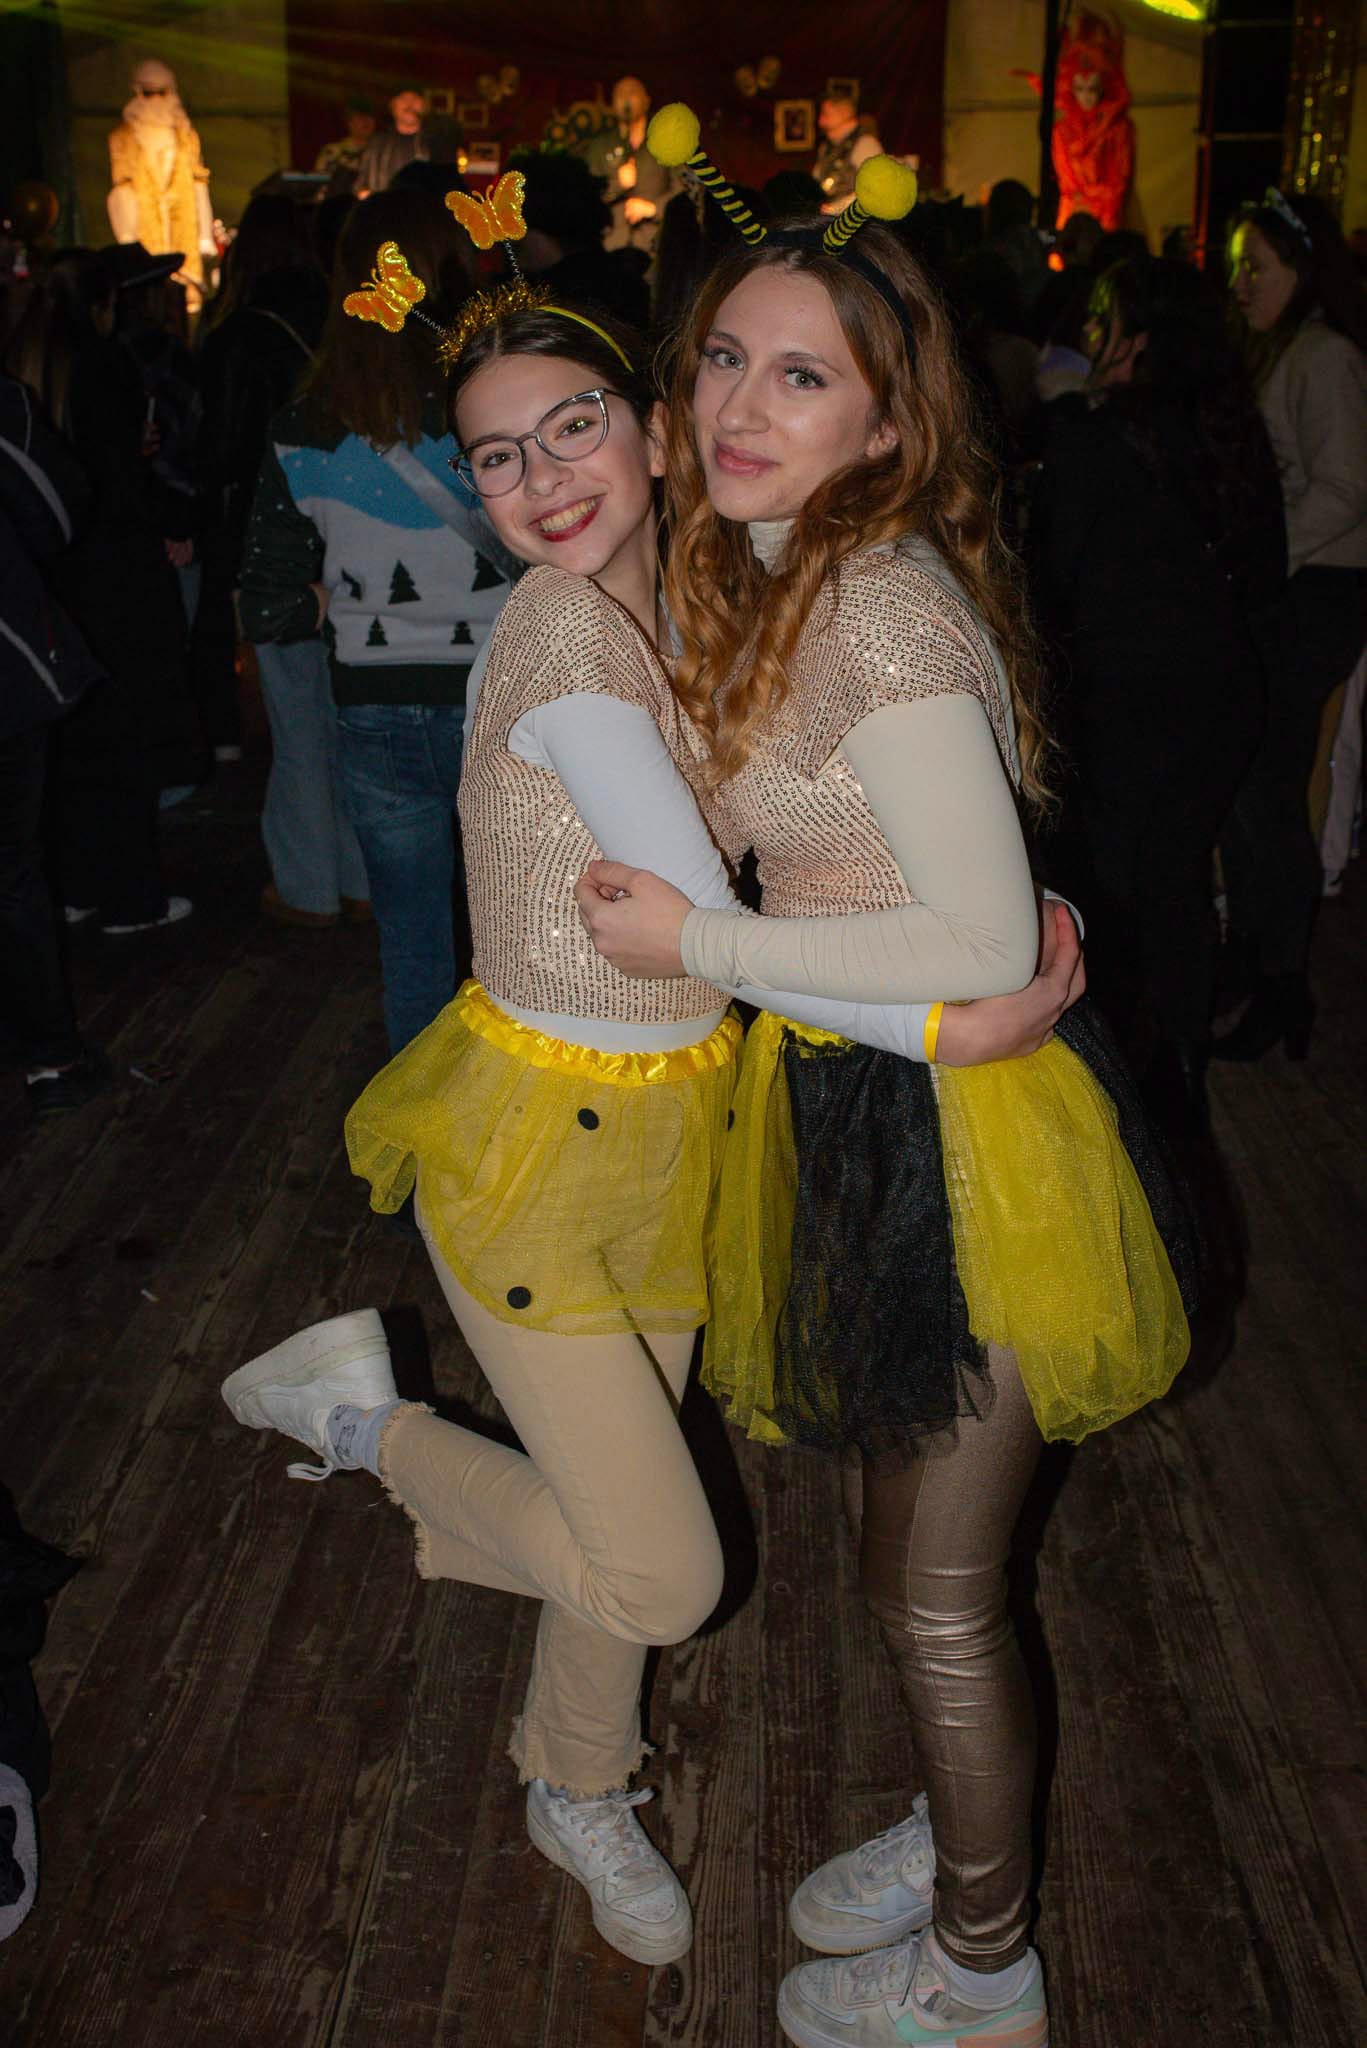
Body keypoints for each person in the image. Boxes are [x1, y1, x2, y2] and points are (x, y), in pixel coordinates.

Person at [221, 255, 1088, 1977]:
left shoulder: (703, 595)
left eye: (572, 426)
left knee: (616, 1497)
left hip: (676, 1125)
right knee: (665, 1569)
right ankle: (358, 1422)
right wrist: (955, 1011)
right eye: (494, 457)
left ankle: (576, 1775)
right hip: (536, 1150)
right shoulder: (561, 633)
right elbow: (708, 925)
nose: (541, 480)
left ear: (647, 427)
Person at [575, 199, 1196, 2047]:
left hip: (973, 1138)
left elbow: (986, 941)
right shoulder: (771, 568)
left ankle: (985, 1967)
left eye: (802, 375)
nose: (742, 404)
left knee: (935, 1595)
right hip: (871, 1093)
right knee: (895, 1552)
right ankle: (958, 1821)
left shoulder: (878, 604)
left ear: (886, 422)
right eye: (723, 359)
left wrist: (702, 944)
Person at [236, 189, 513, 1052]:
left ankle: (421, 1120)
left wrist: (329, 601)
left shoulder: (305, 428)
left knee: (412, 941)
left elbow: (266, 603)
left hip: (374, 710)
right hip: (509, 702)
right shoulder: (496, 409)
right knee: (521, 933)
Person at [1031, 257, 1282, 1124]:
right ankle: (1177, 1067)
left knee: (1112, 884)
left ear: (1135, 340)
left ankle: (1122, 1078)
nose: (1088, 335)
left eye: (1102, 320)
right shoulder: (1228, 431)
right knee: (1175, 878)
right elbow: (1264, 569)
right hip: (1219, 688)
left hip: (1128, 694)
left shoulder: (1091, 440)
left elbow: (1050, 580)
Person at [5, 249, 197, 929]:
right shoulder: (102, 362)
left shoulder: (27, 360)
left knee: (73, 740)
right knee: (125, 735)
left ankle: (76, 885)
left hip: (51, 577)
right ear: (106, 303)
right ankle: (129, 896)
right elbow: (115, 481)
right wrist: (172, 515)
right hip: (115, 572)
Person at [1219, 189, 1367, 1059]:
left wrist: (1263, 559)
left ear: (1301, 269)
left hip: (1316, 593)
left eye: (1257, 266)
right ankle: (1255, 963)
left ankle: (1281, 982)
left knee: (1270, 795)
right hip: (1291, 589)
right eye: (1239, 266)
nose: (1241, 282)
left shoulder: (1324, 357)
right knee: (1251, 789)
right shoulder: (1284, 349)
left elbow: (1345, 487)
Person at [812, 95, 882, 214]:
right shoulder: (826, 147)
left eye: (826, 115)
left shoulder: (866, 144)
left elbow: (874, 190)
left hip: (854, 222)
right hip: (828, 219)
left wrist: (834, 209)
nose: (820, 122)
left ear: (844, 114)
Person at [354, 89, 428, 200]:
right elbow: (361, 185)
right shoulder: (376, 145)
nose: (410, 104)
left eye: (415, 99)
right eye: (403, 99)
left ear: (424, 106)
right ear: (393, 106)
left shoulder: (436, 143)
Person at [314, 99, 376, 190]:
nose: (366, 121)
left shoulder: (380, 153)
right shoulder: (332, 152)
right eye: (360, 117)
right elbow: (319, 184)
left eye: (370, 117)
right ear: (349, 122)